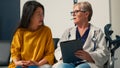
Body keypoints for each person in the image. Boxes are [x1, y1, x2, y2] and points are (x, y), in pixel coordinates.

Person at [53, 1, 110, 68]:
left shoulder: (97, 32)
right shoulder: (68, 32)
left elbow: (104, 52)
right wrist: (63, 56)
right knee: (62, 66)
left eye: (76, 11)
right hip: (69, 62)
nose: (73, 14)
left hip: (88, 62)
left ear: (86, 14)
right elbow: (59, 49)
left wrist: (89, 56)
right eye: (72, 12)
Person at [8, 1, 54, 68]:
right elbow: (15, 52)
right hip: (22, 64)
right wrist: (18, 62)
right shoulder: (20, 32)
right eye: (38, 14)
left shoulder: (46, 31)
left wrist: (38, 64)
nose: (42, 17)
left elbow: (50, 54)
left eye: (42, 14)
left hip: (39, 64)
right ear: (29, 15)